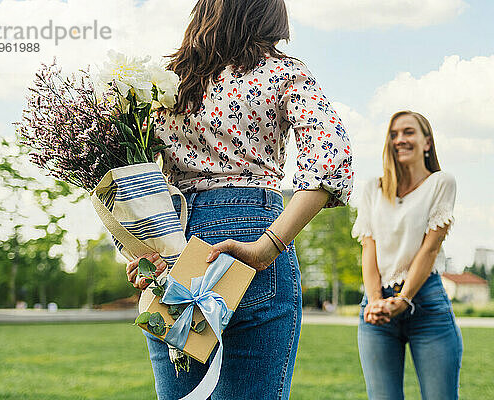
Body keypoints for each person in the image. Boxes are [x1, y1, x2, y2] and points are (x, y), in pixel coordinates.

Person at [125, 0, 353, 398]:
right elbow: (331, 156)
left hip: (172, 246)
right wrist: (269, 246)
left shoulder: (165, 83)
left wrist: (138, 250)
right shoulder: (283, 71)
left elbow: (126, 176)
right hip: (252, 238)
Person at [351, 111, 462, 400]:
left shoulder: (441, 183)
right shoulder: (372, 189)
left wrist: (403, 300)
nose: (400, 139)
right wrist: (375, 302)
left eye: (408, 132)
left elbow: (430, 248)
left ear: (427, 142)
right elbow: (369, 248)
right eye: (394, 134)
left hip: (426, 303)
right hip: (377, 305)